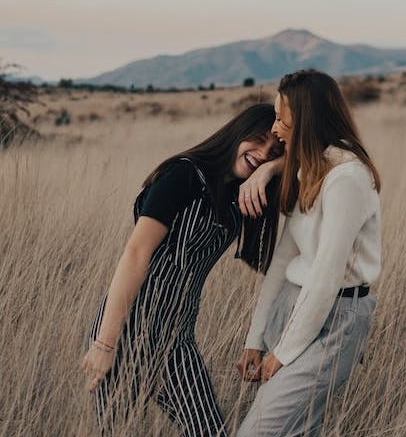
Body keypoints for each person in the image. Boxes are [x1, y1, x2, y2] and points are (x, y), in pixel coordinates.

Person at [81, 103, 285, 436]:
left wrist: (271, 169)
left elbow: (310, 159)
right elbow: (136, 253)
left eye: (273, 150)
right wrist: (106, 344)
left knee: (209, 431)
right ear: (237, 133)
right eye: (258, 140)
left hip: (177, 341)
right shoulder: (186, 174)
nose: (262, 153)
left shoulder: (240, 192)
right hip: (128, 332)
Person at [237, 70, 382, 437]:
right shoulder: (309, 170)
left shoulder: (346, 180)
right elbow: (283, 262)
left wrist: (282, 354)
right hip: (293, 305)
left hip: (336, 318)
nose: (275, 129)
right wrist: (256, 338)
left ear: (306, 121)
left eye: (282, 119)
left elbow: (325, 278)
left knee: (257, 431)